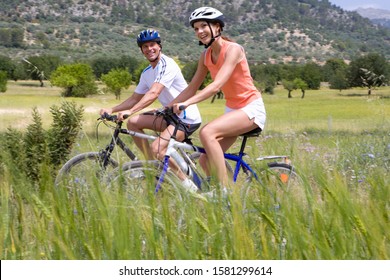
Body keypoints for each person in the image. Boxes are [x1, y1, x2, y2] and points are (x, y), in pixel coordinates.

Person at [172, 7, 266, 188]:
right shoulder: (206, 55)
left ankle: (223, 192)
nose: (199, 31)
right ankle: (228, 196)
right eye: (196, 28)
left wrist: (185, 104)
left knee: (207, 132)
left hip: (250, 109)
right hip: (233, 111)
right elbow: (192, 87)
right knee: (205, 161)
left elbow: (216, 86)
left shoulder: (234, 50)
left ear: (217, 27)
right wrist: (168, 106)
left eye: (203, 26)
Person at [100, 29, 202, 191]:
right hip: (168, 116)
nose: (149, 49)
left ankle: (189, 187)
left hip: (185, 117)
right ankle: (152, 167)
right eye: (145, 46)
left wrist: (130, 111)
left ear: (159, 46)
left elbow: (154, 93)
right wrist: (112, 109)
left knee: (157, 148)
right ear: (141, 50)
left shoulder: (167, 64)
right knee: (133, 123)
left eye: (152, 45)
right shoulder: (147, 72)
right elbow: (135, 98)